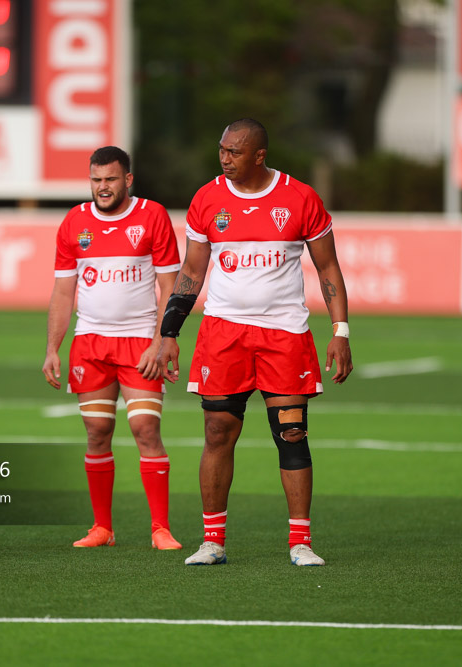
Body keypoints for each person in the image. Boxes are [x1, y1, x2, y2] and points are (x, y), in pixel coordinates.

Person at [156, 118, 353, 567]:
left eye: (234, 152)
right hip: (224, 333)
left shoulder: (300, 198)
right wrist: (169, 333)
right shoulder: (207, 199)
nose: (224, 158)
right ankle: (212, 542)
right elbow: (191, 271)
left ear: (259, 155)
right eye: (221, 149)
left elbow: (328, 269)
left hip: (284, 333)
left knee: (291, 432)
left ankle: (300, 543)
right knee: (217, 432)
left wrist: (340, 331)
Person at [42, 146, 183, 550]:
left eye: (111, 179)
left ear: (128, 180)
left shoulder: (152, 216)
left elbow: (169, 286)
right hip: (89, 342)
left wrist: (162, 339)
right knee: (97, 431)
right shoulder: (74, 222)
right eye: (96, 180)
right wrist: (53, 348)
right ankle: (101, 528)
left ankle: (160, 529)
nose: (103, 187)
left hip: (140, 340)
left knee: (145, 428)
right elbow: (63, 290)